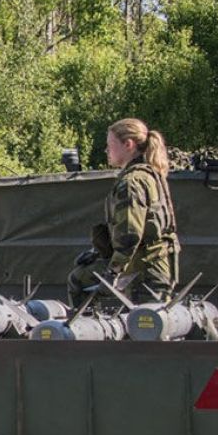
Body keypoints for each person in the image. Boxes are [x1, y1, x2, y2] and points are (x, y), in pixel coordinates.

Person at [68, 118, 179, 306]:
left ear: (128, 144)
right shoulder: (150, 175)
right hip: (152, 265)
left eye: (110, 145)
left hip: (144, 270)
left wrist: (112, 272)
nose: (106, 151)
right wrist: (97, 253)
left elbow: (129, 235)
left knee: (145, 327)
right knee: (81, 278)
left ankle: (84, 331)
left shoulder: (132, 182)